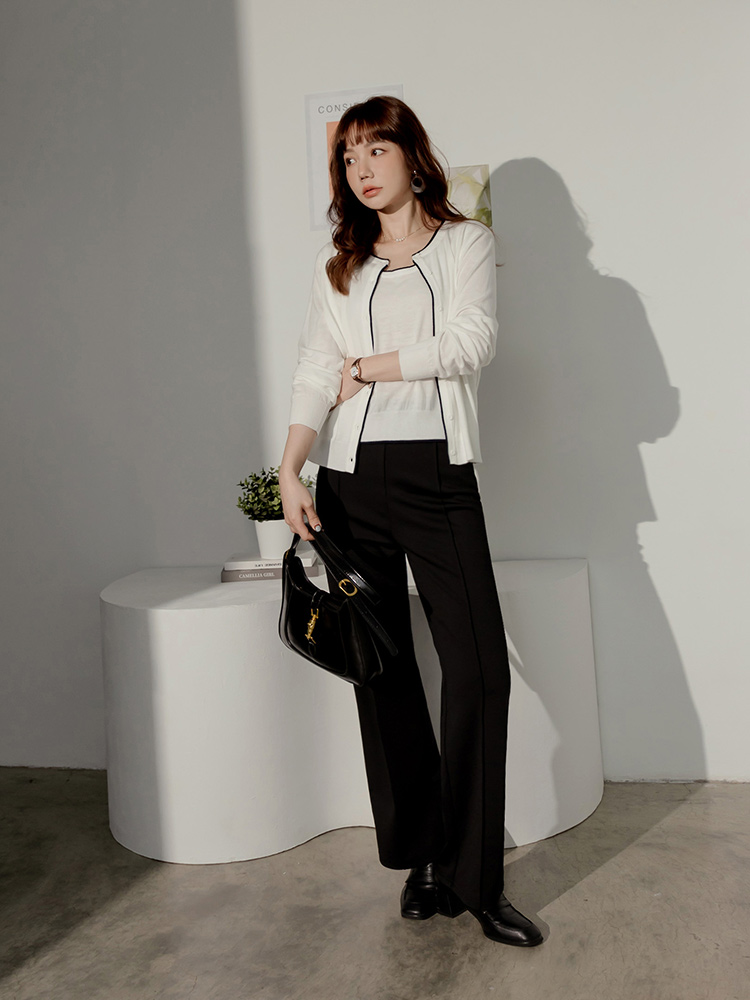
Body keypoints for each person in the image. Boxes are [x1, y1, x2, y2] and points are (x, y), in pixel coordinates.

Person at [278, 96, 544, 948]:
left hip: (437, 475)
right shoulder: (340, 267)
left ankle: (477, 879)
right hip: (350, 479)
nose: (361, 167)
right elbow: (313, 368)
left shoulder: (466, 244)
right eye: (348, 155)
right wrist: (291, 467)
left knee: (478, 671)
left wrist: (370, 367)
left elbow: (471, 342)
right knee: (383, 671)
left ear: (412, 156)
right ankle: (424, 859)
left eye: (376, 149)